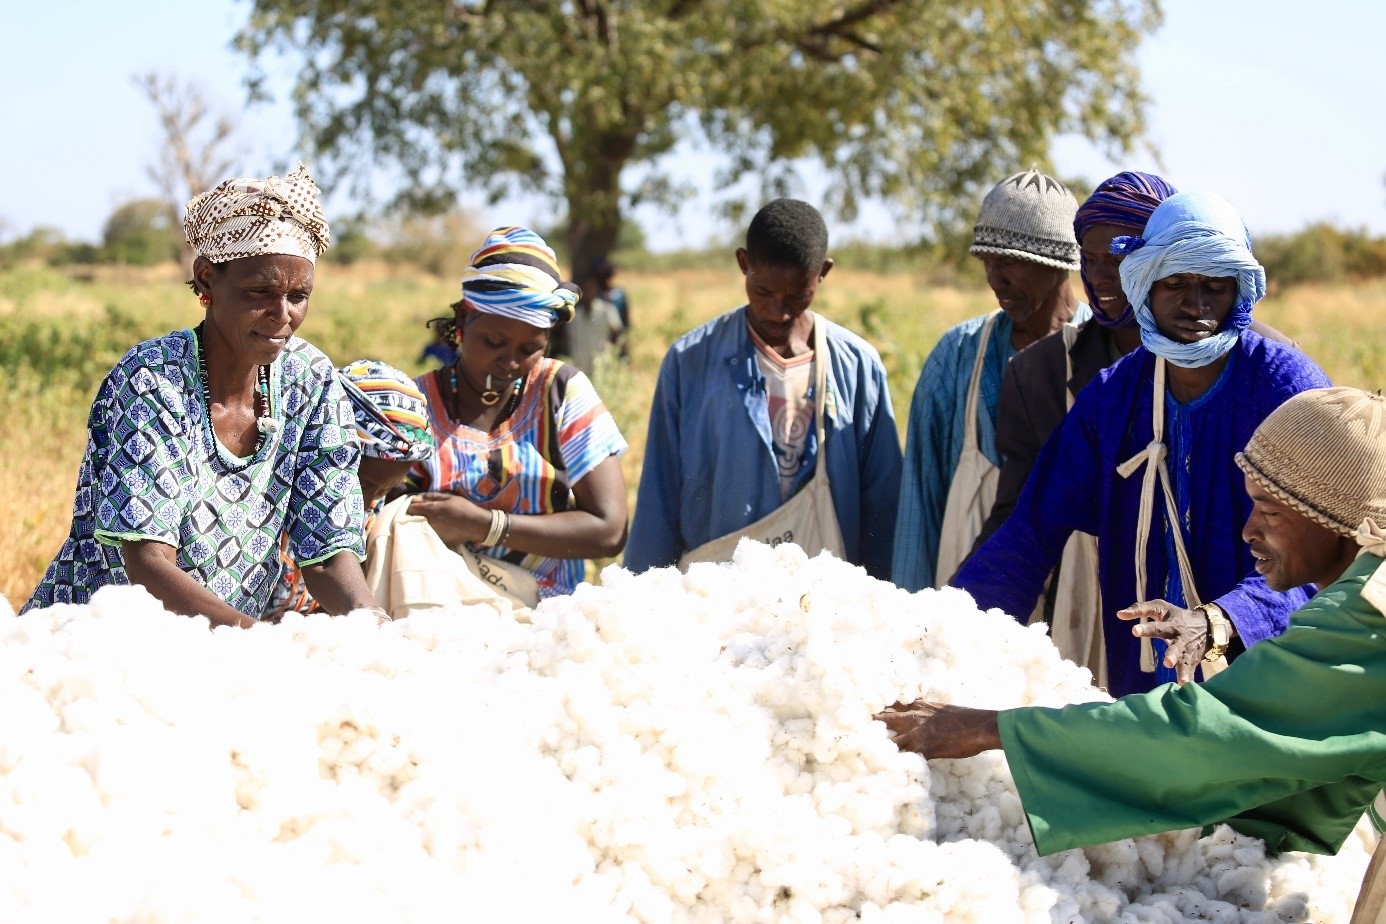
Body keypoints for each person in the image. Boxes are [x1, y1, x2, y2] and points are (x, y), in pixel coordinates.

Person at [879, 387, 1386, 920]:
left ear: (1338, 519)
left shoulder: (1366, 617)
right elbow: (1300, 750)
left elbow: (1209, 733)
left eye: (1272, 512)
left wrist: (992, 728)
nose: (1248, 530)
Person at [952, 191, 1332, 696]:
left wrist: (1221, 620)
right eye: (1175, 282)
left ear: (1239, 292)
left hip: (1269, 676)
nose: (1195, 305)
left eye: (1215, 286)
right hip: (1148, 676)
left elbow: (1324, 548)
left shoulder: (1286, 387)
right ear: (1145, 285)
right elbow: (1030, 533)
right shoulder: (1113, 397)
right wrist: (948, 630)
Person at [22, 165, 380, 627]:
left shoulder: (311, 381)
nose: (282, 315)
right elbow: (148, 562)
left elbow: (328, 554)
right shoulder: (154, 380)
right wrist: (256, 643)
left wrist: (373, 627)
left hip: (221, 651)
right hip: (97, 642)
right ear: (207, 280)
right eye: (260, 292)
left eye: (299, 295)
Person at [625, 198, 902, 579]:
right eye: (764, 291)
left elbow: (883, 505)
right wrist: (642, 596)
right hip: (715, 591)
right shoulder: (689, 362)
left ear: (823, 273)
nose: (779, 311)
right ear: (743, 263)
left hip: (822, 597)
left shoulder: (857, 366)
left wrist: (884, 598)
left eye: (797, 295)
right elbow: (659, 495)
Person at [405, 226, 629, 600]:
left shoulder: (561, 391)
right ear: (462, 322)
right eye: (493, 342)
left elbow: (609, 530)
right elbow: (380, 519)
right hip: (437, 608)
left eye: (530, 348)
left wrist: (483, 525)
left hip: (545, 614)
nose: (509, 361)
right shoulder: (415, 403)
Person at [892, 170, 1090, 592]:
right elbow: (920, 500)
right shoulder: (958, 356)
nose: (996, 279)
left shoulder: (1106, 355)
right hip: (966, 593)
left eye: (1012, 263)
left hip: (1081, 597)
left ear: (1058, 266)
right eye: (989, 262)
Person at [265, 360, 436, 619]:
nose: (367, 502)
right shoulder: (272, 499)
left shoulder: (370, 509)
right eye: (362, 485)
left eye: (384, 491)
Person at [557, 266, 626, 373]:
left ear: (596, 290)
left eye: (590, 288)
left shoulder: (607, 310)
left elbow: (619, 336)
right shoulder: (574, 315)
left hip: (601, 369)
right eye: (585, 289)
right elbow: (567, 340)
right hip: (579, 369)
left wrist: (620, 360)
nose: (588, 292)